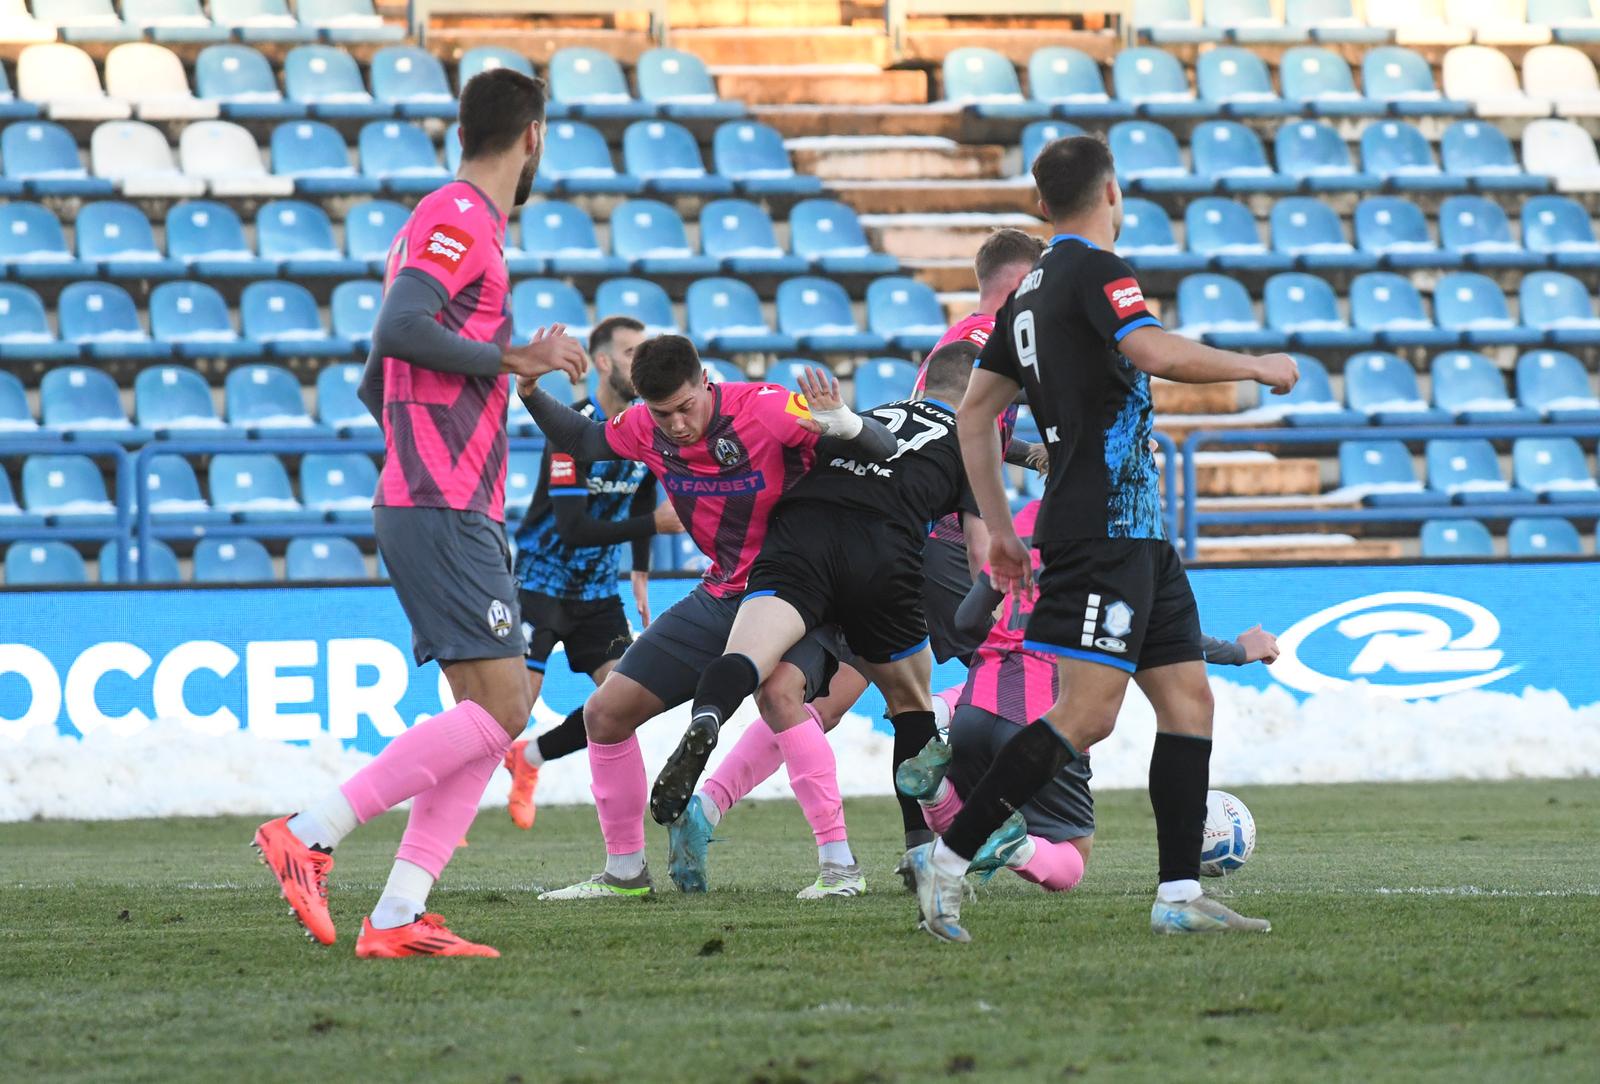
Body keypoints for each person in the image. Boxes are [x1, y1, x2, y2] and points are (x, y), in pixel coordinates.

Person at [903, 133, 1299, 943]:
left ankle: (1178, 894)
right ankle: (949, 862)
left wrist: (1003, 526)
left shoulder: (1024, 295)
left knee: (1189, 698)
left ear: (1041, 204)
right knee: (1086, 715)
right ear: (1113, 192)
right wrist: (1254, 365)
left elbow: (973, 416)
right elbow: (1149, 349)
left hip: (1138, 534)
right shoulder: (1095, 270)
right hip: (1101, 531)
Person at [249, 68, 589, 958]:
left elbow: (376, 378)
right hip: (441, 502)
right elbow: (398, 332)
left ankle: (398, 916)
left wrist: (426, 438)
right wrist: (512, 363)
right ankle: (309, 832)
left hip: (440, 495)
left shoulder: (443, 221)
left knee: (490, 715)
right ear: (535, 136)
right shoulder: (460, 217)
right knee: (505, 705)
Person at [515, 336, 898, 899]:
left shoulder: (767, 408)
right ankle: (624, 873)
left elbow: (883, 448)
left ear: (704, 384)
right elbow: (584, 438)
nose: (673, 424)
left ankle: (840, 868)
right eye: (661, 412)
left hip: (801, 592)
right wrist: (527, 389)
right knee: (605, 714)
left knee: (780, 700)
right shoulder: (644, 425)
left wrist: (847, 424)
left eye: (684, 408)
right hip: (721, 594)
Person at [653, 344, 989, 897]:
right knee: (910, 704)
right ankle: (920, 854)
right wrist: (990, 618)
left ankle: (710, 723)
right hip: (882, 555)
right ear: (979, 397)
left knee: (770, 681)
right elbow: (980, 553)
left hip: (801, 537)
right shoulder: (973, 441)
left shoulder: (870, 414)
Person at [895, 500, 1281, 893]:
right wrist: (1237, 651)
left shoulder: (1026, 520)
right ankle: (1014, 846)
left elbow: (965, 619)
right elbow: (1160, 634)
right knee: (1072, 858)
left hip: (974, 708)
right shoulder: (1119, 530)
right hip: (1045, 717)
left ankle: (935, 792)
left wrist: (1012, 634)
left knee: (969, 814)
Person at [501, 316, 684, 830]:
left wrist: (641, 571)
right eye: (631, 353)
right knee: (510, 710)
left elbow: (644, 487)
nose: (641, 362)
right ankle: (452, 799)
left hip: (599, 593)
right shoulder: (572, 427)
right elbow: (574, 527)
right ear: (604, 363)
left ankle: (530, 757)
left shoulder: (647, 425)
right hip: (540, 584)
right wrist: (653, 524)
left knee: (626, 703)